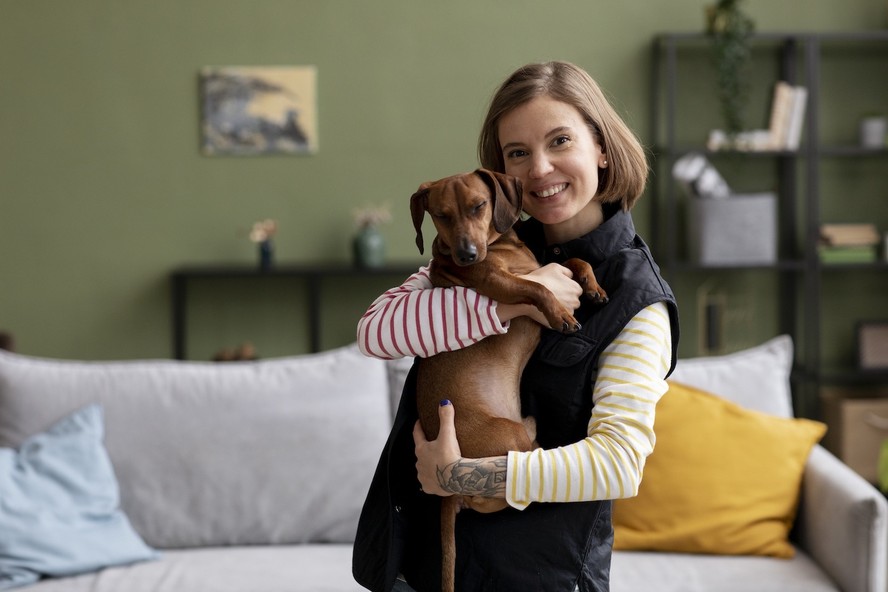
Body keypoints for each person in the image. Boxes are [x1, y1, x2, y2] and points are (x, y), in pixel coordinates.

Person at [352, 61, 680, 592]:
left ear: (601, 147)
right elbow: (376, 331)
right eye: (518, 153)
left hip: (535, 577)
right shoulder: (489, 243)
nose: (540, 169)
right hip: (421, 567)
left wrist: (464, 476)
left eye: (560, 141)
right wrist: (505, 305)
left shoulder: (639, 300)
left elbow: (620, 464)